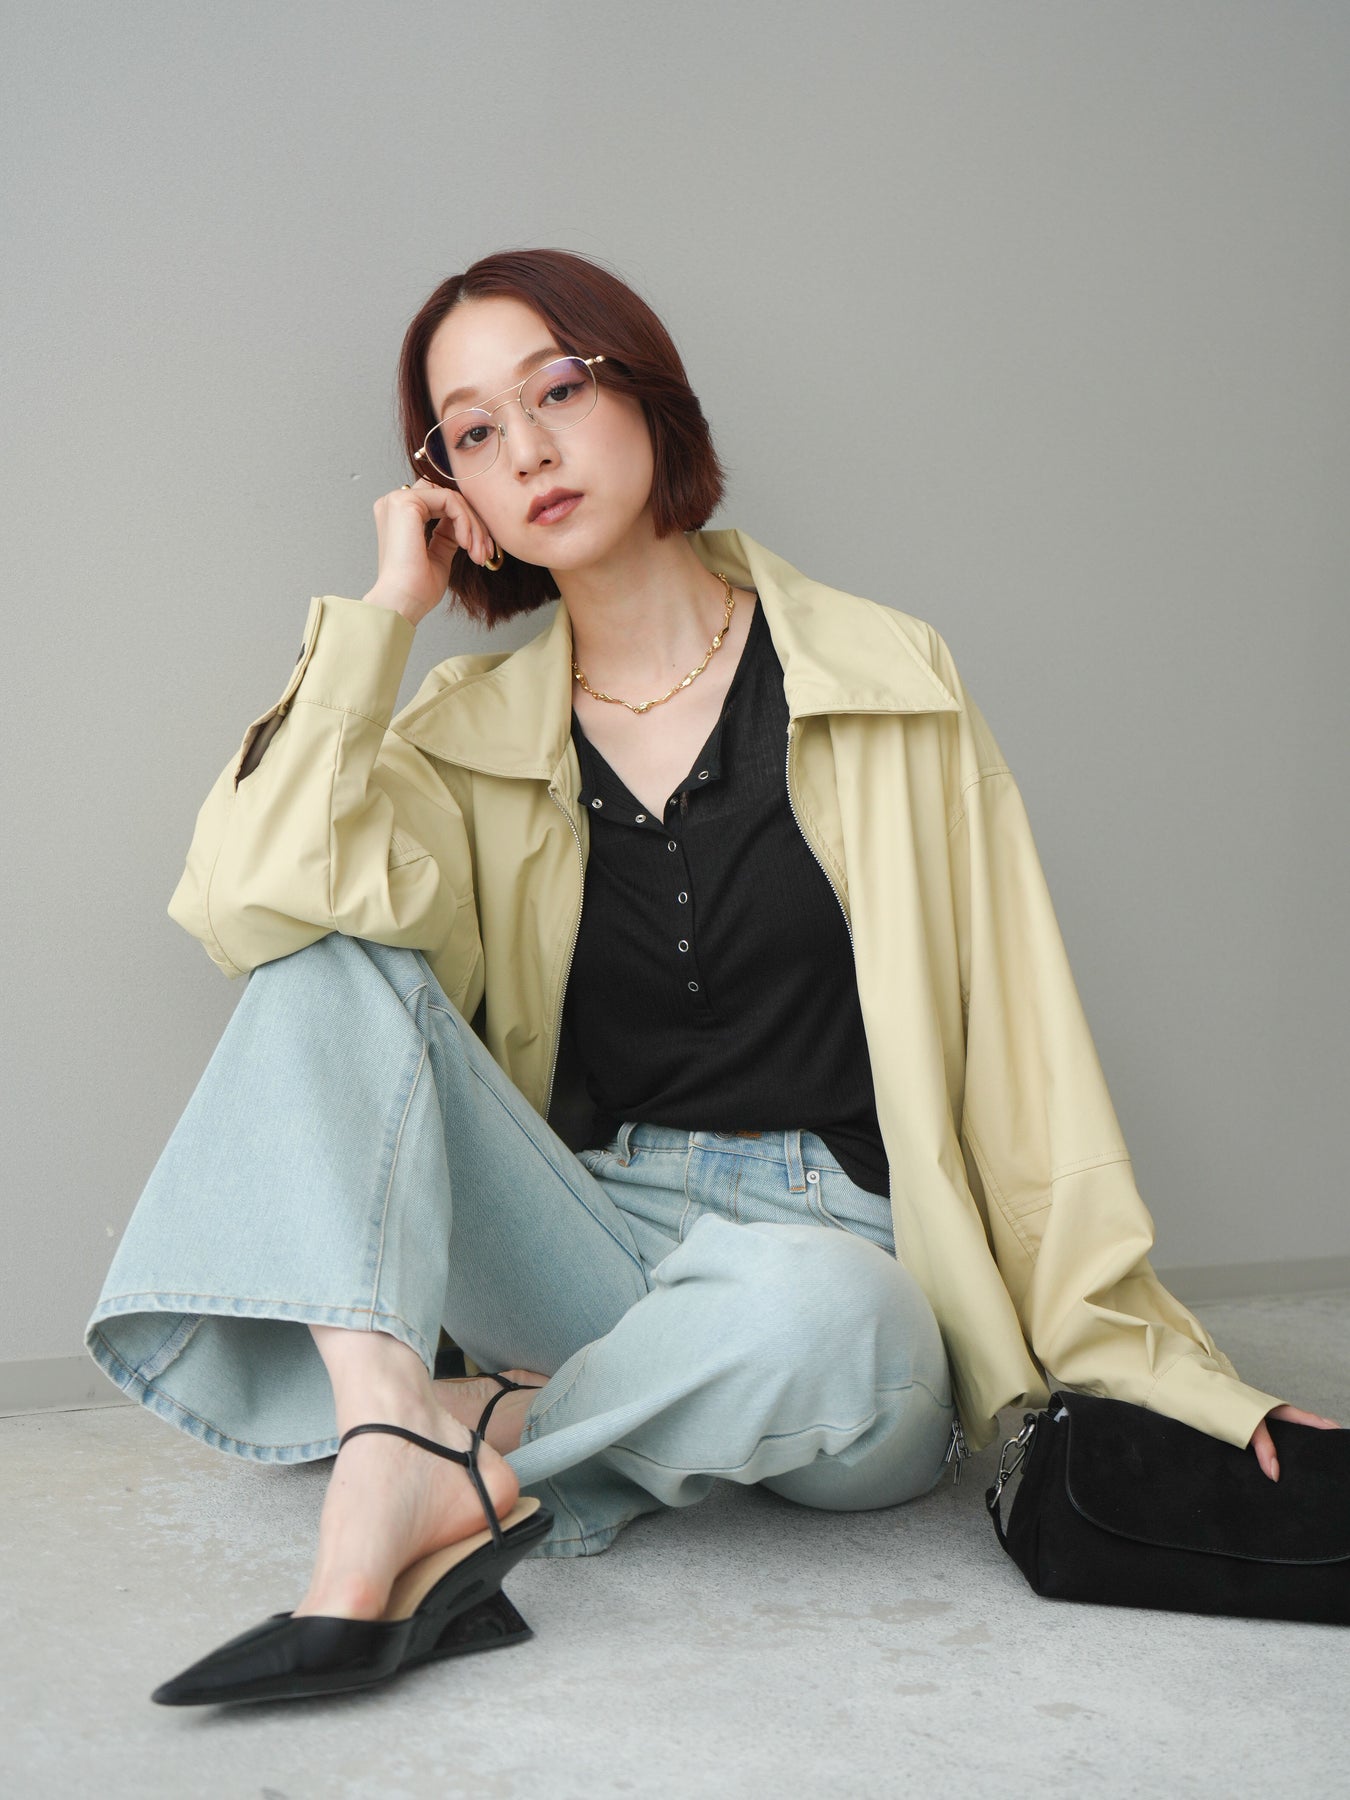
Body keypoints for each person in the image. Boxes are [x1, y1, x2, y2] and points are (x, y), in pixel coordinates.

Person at [86, 247, 1337, 1707]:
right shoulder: (460, 732)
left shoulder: (885, 678)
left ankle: (468, 1433)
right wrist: (381, 618)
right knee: (326, 953)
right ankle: (393, 1432)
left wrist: (1166, 1377)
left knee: (822, 1315)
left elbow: (1022, 1053)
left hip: (841, 1262)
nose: (526, 450)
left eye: (558, 391)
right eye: (474, 432)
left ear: (648, 393)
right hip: (585, 1238)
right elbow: (246, 903)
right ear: (452, 491)